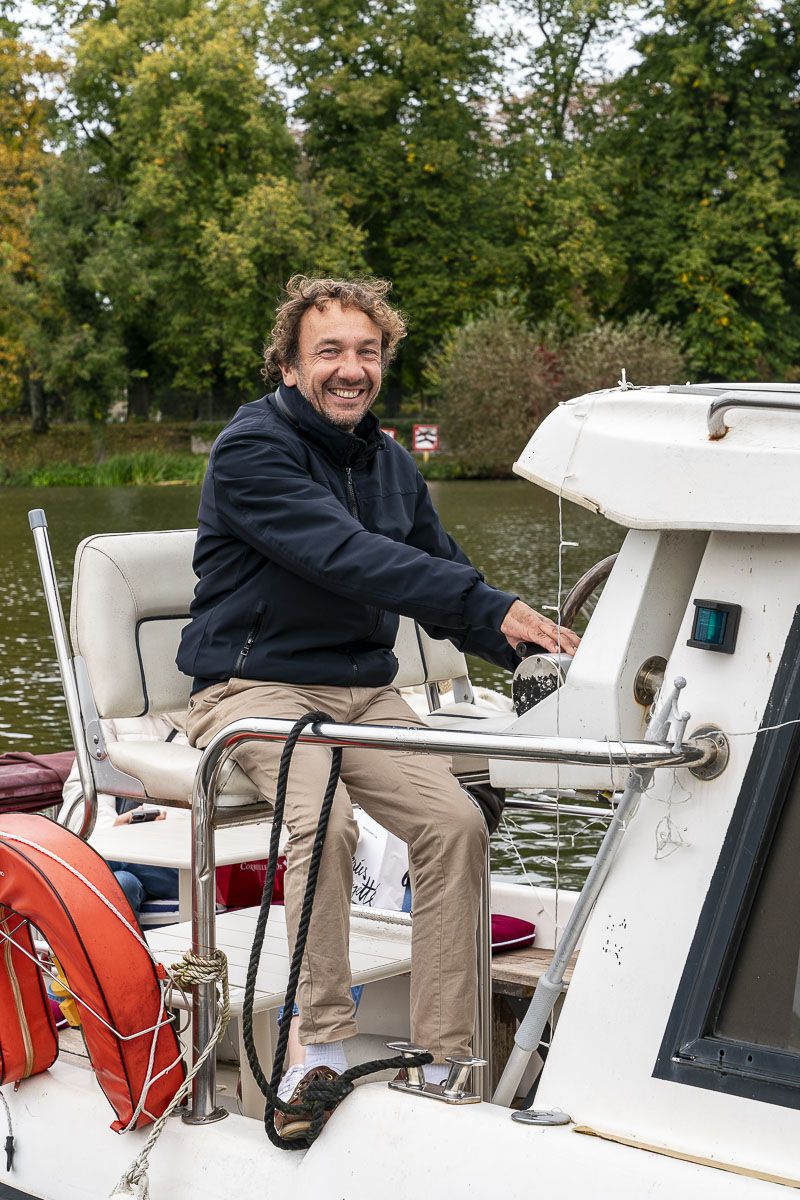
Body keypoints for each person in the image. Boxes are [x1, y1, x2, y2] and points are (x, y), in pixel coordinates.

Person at [177, 275, 580, 1136]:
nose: (350, 369)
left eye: (367, 352)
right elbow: (348, 557)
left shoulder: (389, 460)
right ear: (288, 366)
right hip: (253, 684)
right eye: (329, 352)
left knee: (456, 824)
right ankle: (314, 1050)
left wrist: (537, 644)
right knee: (324, 819)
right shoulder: (252, 450)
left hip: (362, 689)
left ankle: (445, 1059)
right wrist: (487, 606)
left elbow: (443, 575)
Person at [59, 714, 181, 921]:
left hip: (181, 862)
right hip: (120, 844)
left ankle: (60, 876)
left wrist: (159, 825)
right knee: (122, 884)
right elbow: (82, 790)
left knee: (102, 862)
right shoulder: (107, 714)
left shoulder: (203, 717)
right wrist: (112, 827)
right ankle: (115, 953)